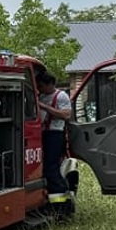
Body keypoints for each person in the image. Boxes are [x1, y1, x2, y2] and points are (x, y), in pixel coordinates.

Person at [36, 71, 72, 210]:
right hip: (42, 134)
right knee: (43, 168)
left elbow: (66, 115)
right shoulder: (41, 95)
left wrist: (45, 107)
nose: (40, 89)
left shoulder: (61, 96)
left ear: (50, 84)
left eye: (41, 86)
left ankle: (62, 205)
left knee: (51, 168)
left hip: (55, 134)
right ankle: (48, 200)